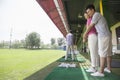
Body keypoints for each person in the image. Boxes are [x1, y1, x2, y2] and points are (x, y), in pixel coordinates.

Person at [83, 4, 112, 77]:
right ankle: (108, 68)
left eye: (89, 12)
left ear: (92, 10)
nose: (88, 14)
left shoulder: (96, 15)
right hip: (107, 35)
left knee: (102, 53)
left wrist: (85, 34)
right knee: (108, 53)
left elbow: (90, 26)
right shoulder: (97, 15)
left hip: (103, 36)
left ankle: (101, 72)